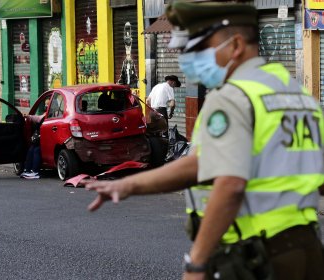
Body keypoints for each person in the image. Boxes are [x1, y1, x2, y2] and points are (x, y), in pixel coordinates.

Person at [82, 2, 324, 280]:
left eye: (197, 49)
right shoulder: (298, 96)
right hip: (306, 250)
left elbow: (230, 184)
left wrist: (196, 263)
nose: (187, 59)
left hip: (256, 256)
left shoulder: (233, 98)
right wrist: (129, 184)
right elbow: (201, 164)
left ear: (234, 45)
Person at [20, 99, 50, 179]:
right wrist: (27, 116)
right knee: (31, 149)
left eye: (47, 104)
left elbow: (39, 119)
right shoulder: (45, 115)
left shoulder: (54, 113)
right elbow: (38, 118)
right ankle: (27, 170)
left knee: (36, 150)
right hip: (41, 138)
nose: (46, 106)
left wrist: (29, 117)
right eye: (45, 104)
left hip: (47, 138)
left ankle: (35, 171)